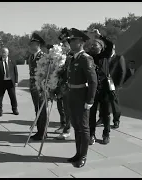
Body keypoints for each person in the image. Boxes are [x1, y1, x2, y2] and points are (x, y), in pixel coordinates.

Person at [66, 28, 97, 168]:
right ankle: (77, 153)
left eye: (73, 40)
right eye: (70, 41)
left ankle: (83, 156)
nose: (70, 43)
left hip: (82, 96)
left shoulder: (86, 58)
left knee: (84, 128)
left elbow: (93, 81)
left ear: (80, 43)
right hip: (71, 95)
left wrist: (90, 100)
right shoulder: (73, 58)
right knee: (76, 127)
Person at [87, 31, 114, 145]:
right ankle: (91, 134)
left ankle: (106, 134)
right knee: (91, 113)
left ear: (101, 47)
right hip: (92, 89)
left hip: (104, 89)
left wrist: (100, 36)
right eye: (92, 45)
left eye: (96, 45)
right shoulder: (89, 56)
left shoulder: (105, 55)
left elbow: (111, 45)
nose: (93, 46)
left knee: (105, 113)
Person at [97, 44, 126, 129]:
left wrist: (118, 85)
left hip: (113, 84)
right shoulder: (104, 58)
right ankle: (101, 118)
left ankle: (116, 120)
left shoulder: (119, 58)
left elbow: (122, 72)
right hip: (103, 84)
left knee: (114, 103)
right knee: (102, 102)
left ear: (113, 49)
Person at [28, 33, 47, 141]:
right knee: (37, 109)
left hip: (40, 87)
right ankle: (40, 131)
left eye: (33, 44)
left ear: (38, 45)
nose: (31, 46)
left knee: (42, 110)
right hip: (33, 86)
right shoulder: (31, 56)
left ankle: (43, 132)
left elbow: (45, 72)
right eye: (30, 44)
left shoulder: (43, 56)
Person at [55, 28, 72, 140]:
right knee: (60, 106)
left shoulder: (71, 56)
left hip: (69, 86)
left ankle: (67, 128)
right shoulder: (61, 55)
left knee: (67, 109)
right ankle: (63, 124)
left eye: (65, 44)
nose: (63, 47)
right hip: (60, 84)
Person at [0, 47, 19, 117]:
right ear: (1, 53)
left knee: (13, 96)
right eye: (3, 52)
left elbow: (15, 72)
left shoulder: (12, 61)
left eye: (5, 52)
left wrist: (16, 81)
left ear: (8, 53)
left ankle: (14, 109)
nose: (4, 53)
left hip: (10, 82)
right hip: (1, 82)